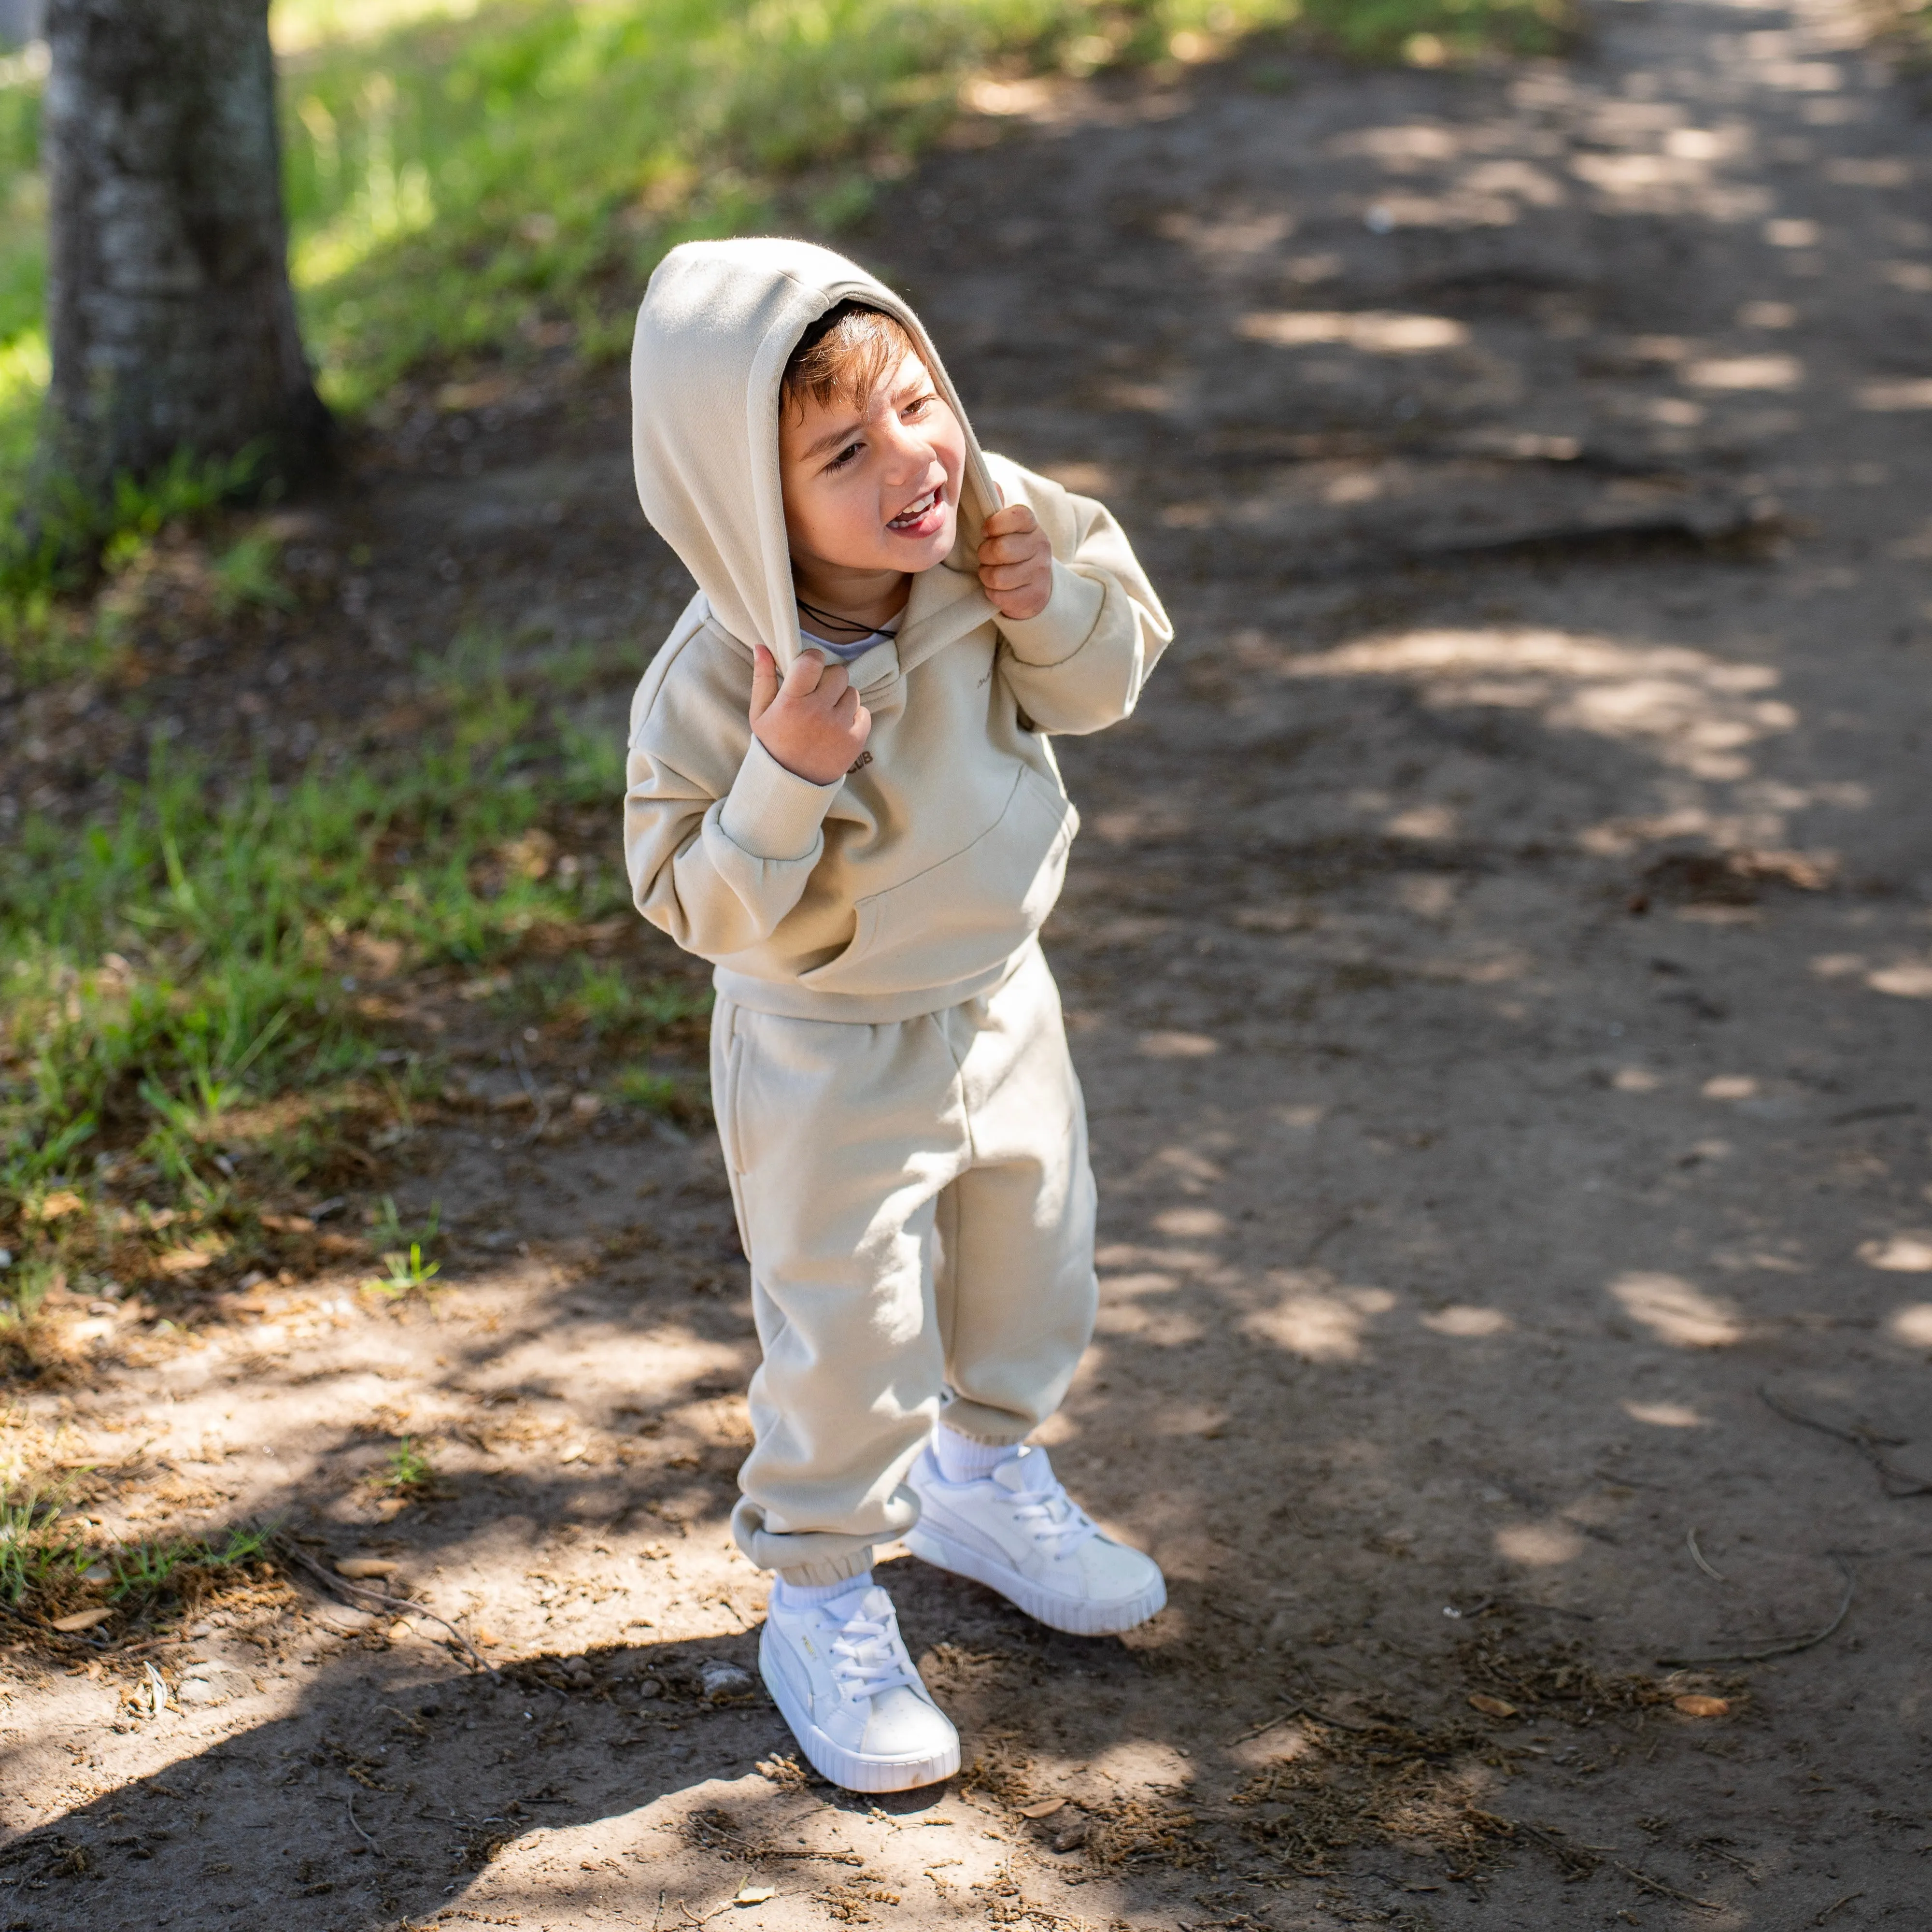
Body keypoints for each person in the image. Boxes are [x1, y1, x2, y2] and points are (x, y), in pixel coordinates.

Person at [624, 237, 1173, 1793]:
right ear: (748, 499)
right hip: (827, 1044)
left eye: (920, 407)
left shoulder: (995, 521)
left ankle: (986, 1476)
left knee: (1034, 1254)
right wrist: (783, 776)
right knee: (849, 1329)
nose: (914, 463)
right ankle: (820, 1599)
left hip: (1002, 992)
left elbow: (1108, 679)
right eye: (844, 453)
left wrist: (1051, 602)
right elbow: (693, 903)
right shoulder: (718, 685)